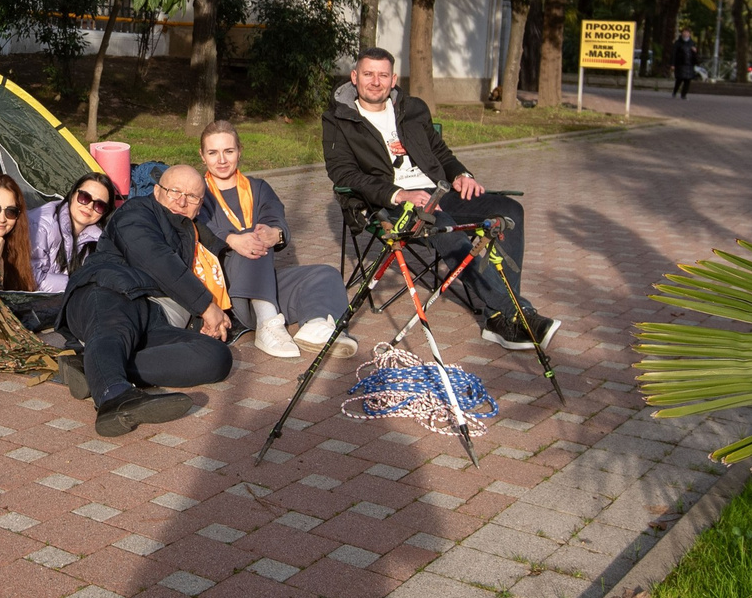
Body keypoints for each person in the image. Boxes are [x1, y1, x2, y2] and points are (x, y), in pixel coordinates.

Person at [322, 47, 559, 350]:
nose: (376, 82)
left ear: (394, 79)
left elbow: (440, 152)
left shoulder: (412, 109)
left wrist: (461, 175)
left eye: (383, 75)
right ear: (355, 77)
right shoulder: (339, 119)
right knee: (442, 225)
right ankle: (515, 314)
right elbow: (343, 174)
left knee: (509, 210)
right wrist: (399, 193)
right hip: (389, 204)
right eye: (368, 74)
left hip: (438, 192)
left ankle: (498, 318)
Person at [57, 162, 235, 435]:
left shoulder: (193, 230)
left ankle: (93, 365)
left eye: (191, 197)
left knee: (217, 357)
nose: (181, 201)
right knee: (114, 328)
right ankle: (114, 396)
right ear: (157, 190)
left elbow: (226, 255)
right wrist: (206, 306)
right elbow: (156, 258)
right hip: (108, 291)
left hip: (153, 316)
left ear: (200, 206)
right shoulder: (135, 212)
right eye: (175, 191)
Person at [196, 121, 353, 360]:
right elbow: (199, 228)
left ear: (239, 151)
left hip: (262, 283)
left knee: (325, 274)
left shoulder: (258, 187)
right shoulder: (198, 191)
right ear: (202, 156)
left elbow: (275, 218)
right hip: (227, 292)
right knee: (253, 237)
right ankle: (267, 323)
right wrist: (231, 240)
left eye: (228, 151)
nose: (222, 160)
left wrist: (275, 233)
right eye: (213, 153)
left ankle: (317, 325)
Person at [26, 170, 114, 293]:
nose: (89, 206)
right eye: (84, 197)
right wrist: (81, 285)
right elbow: (32, 278)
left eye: (100, 205)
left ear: (105, 213)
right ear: (72, 194)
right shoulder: (41, 225)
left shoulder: (99, 241)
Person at [669, 28, 701, 99]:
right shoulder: (678, 43)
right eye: (684, 32)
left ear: (689, 34)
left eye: (687, 32)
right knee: (679, 79)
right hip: (680, 64)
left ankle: (683, 94)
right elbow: (674, 54)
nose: (686, 34)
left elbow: (696, 55)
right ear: (682, 33)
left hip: (689, 65)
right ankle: (675, 91)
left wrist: (695, 52)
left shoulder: (692, 43)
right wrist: (672, 64)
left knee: (688, 80)